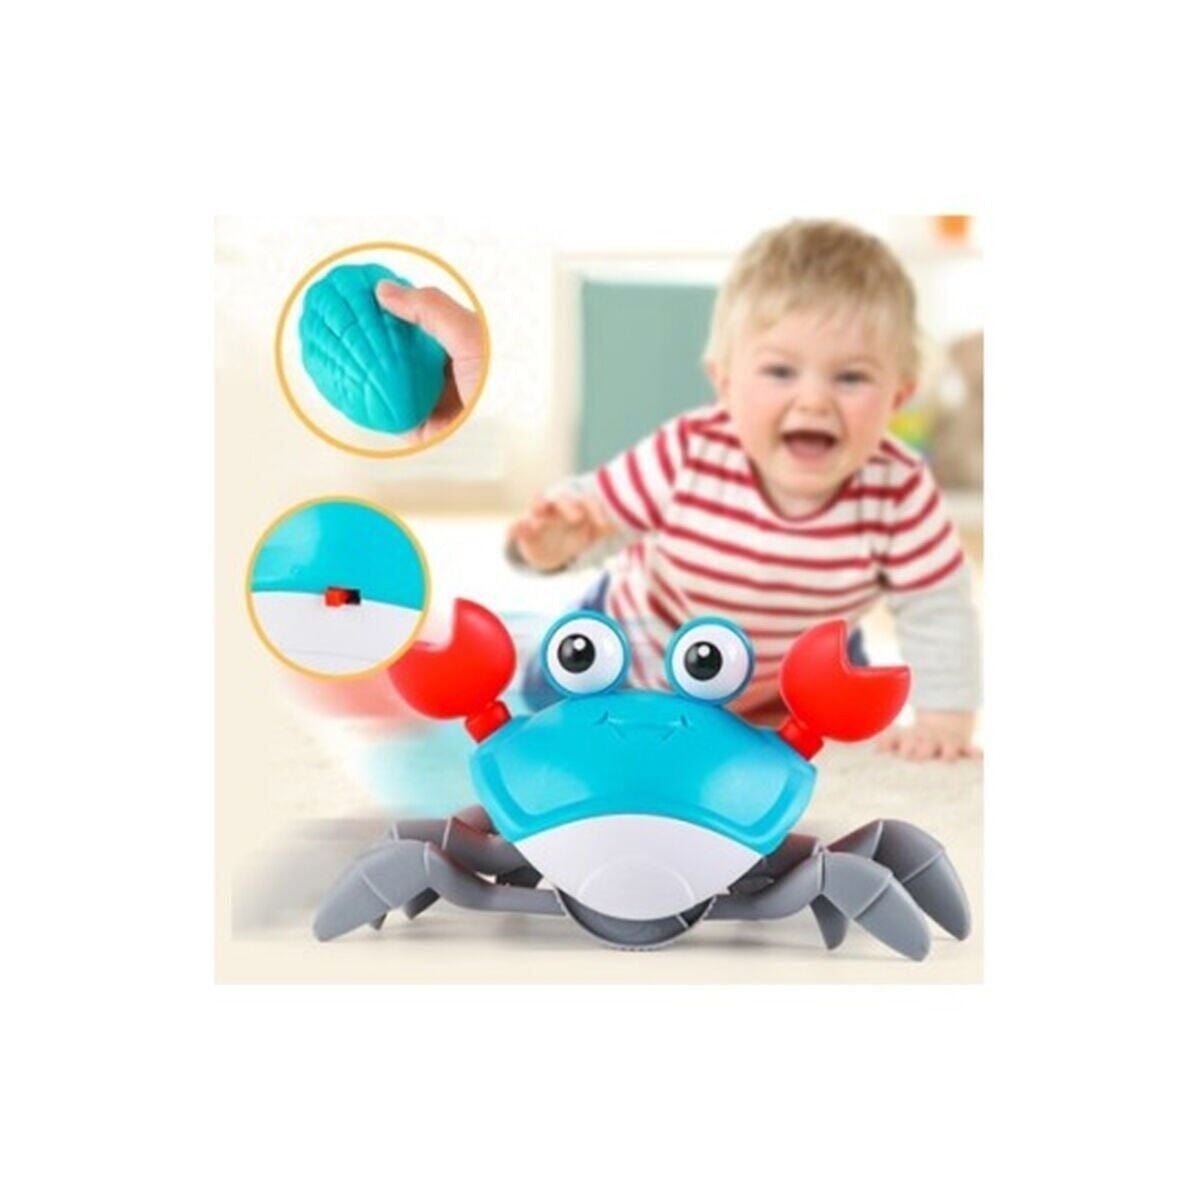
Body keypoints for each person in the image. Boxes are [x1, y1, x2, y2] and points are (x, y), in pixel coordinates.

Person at [508, 219, 980, 761]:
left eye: (851, 378)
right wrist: (562, 537)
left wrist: (944, 720)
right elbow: (599, 512)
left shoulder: (899, 490)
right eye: (780, 371)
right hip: (638, 660)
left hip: (784, 688)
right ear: (725, 382)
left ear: (898, 395)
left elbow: (938, 607)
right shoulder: (690, 450)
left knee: (843, 713)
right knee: (551, 716)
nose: (814, 401)